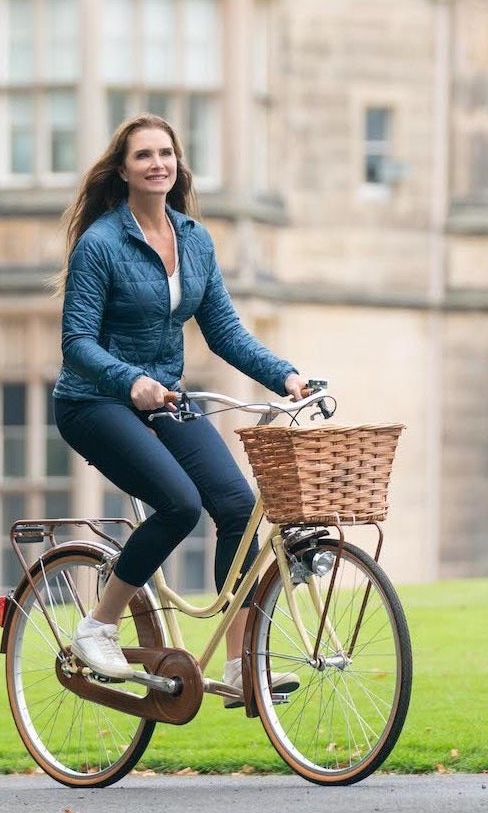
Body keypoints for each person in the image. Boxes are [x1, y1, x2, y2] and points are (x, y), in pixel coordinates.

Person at [51, 112, 312, 703]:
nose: (157, 163)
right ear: (124, 169)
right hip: (94, 401)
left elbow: (223, 330)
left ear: (178, 163)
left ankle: (244, 666)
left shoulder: (193, 239)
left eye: (166, 153)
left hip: (165, 397)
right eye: (143, 155)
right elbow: (77, 343)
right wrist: (131, 380)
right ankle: (98, 625)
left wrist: (286, 376)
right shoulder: (102, 244)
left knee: (239, 508)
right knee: (179, 504)